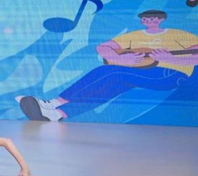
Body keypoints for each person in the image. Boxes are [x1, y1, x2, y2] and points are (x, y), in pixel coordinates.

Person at [17, 10, 198, 121]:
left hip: (171, 74)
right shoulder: (135, 35)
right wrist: (122, 59)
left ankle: (55, 102)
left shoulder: (178, 34)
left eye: (154, 19)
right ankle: (57, 114)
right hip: (139, 71)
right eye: (146, 19)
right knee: (111, 86)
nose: (150, 21)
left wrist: (171, 58)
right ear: (142, 21)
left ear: (161, 20)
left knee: (110, 72)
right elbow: (103, 48)